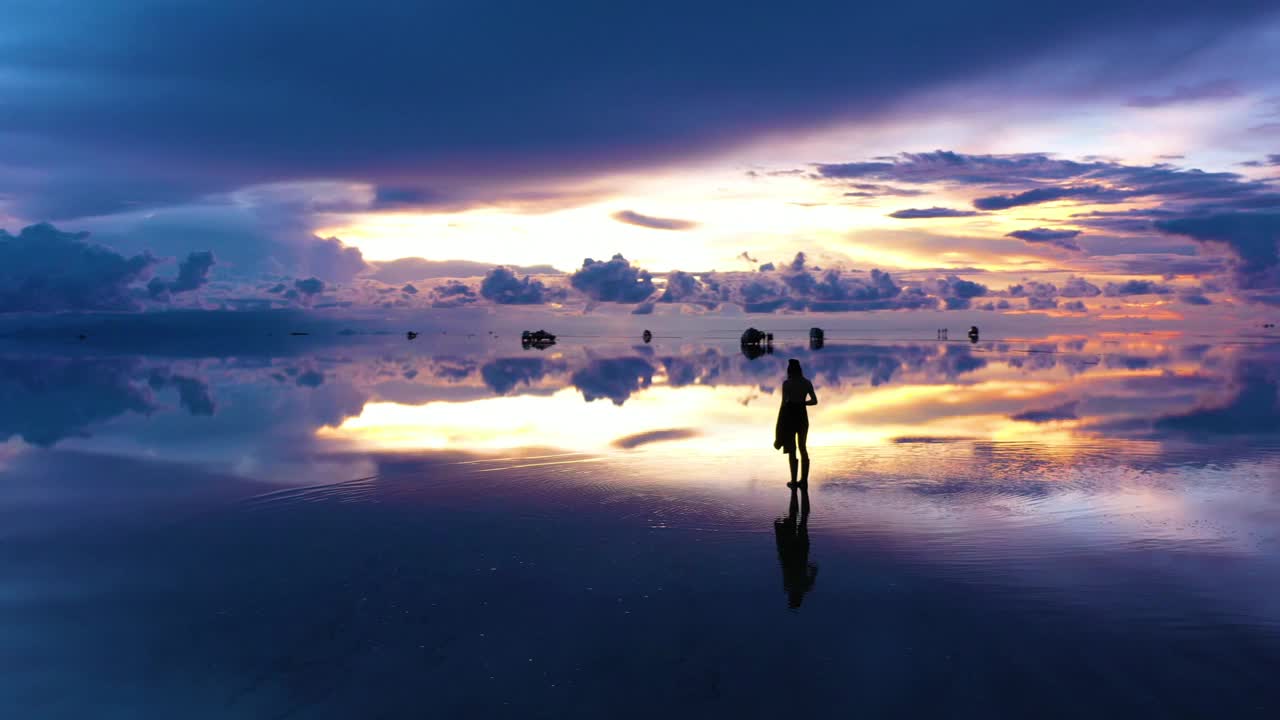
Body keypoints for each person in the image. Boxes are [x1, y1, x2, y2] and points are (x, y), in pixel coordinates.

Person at [774, 358, 817, 486]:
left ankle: (793, 481)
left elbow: (783, 404)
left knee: (792, 450)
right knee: (803, 448)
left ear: (789, 370)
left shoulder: (786, 384)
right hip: (802, 416)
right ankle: (803, 481)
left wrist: (779, 425)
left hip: (789, 417)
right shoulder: (806, 383)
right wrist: (803, 403)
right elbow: (814, 401)